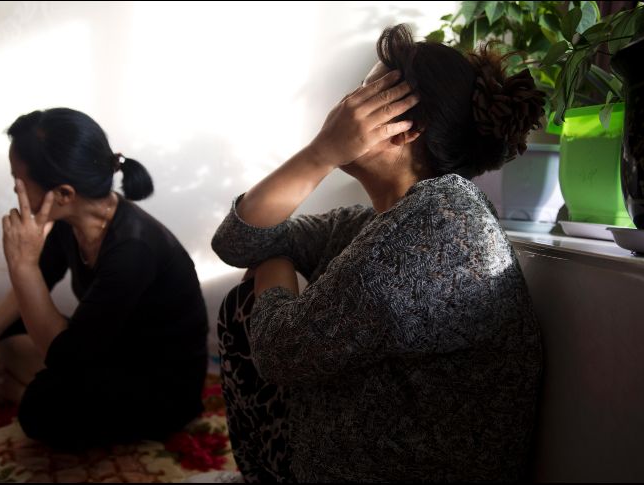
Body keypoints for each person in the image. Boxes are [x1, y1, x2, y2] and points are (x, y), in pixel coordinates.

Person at [211, 24, 544, 482]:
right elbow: (237, 240)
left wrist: (275, 261)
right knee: (244, 302)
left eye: (364, 97)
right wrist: (318, 154)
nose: (343, 109)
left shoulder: (440, 225)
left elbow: (278, 351)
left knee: (255, 301)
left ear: (409, 130)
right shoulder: (375, 220)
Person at [0, 108, 209, 450]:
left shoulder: (133, 249)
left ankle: (18, 389)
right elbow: (45, 283)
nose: (15, 190)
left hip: (157, 385)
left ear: (64, 194)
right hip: (105, 351)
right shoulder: (69, 222)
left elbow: (66, 357)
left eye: (19, 182)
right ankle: (22, 375)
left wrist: (22, 266)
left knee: (41, 410)